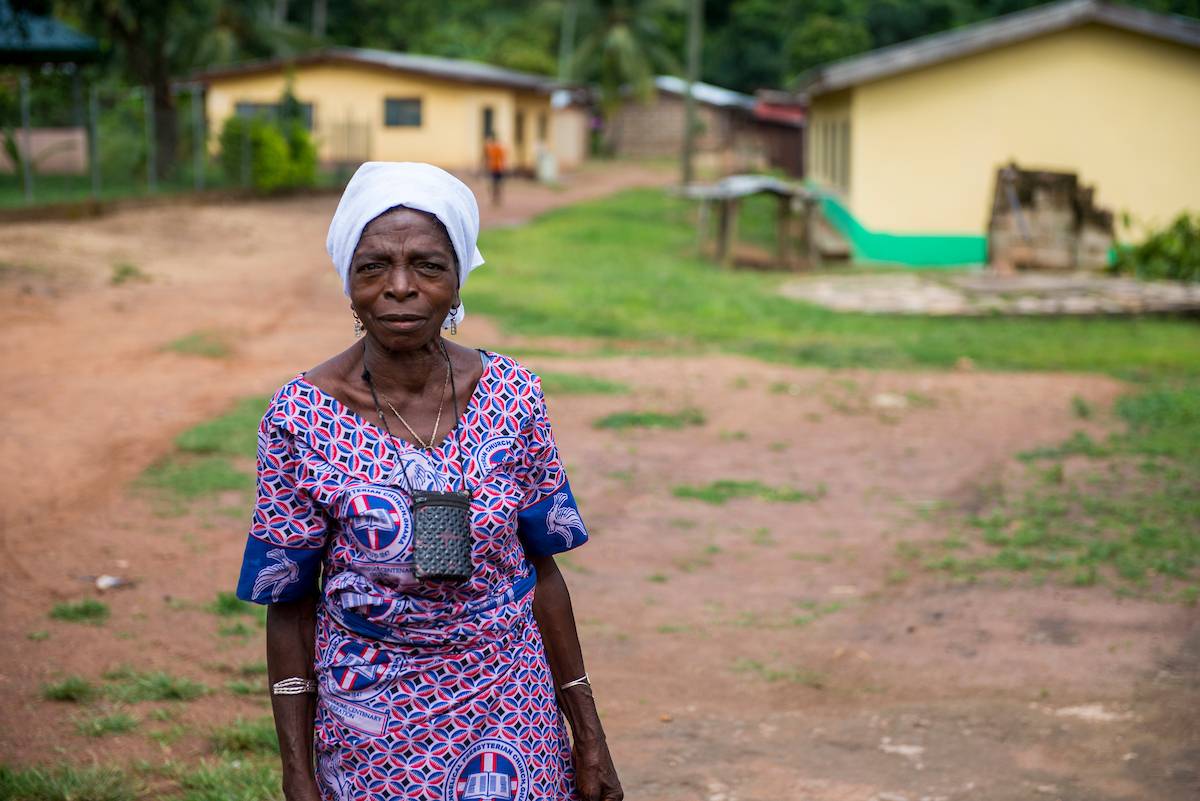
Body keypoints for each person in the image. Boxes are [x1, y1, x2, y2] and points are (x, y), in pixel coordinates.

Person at [236, 162, 623, 801]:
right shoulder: (299, 416)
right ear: (348, 282)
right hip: (370, 724)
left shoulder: (511, 393)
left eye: (428, 265)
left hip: (510, 712)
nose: (400, 287)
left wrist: (589, 735)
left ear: (458, 278)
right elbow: (289, 604)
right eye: (374, 267)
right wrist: (297, 775)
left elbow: (544, 572)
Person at [484, 134, 506, 206]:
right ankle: (495, 199)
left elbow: (501, 158)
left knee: (496, 184)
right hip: (494, 168)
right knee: (494, 184)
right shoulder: (491, 148)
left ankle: (496, 199)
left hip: (497, 168)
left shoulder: (496, 148)